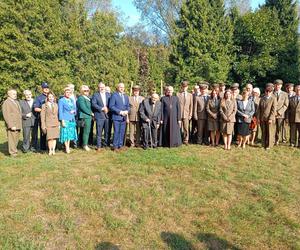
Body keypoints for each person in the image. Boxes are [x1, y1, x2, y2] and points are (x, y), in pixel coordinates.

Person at [109, 83, 130, 151]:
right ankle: (115, 146)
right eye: (120, 87)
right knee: (116, 131)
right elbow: (111, 106)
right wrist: (120, 112)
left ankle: (120, 145)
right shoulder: (114, 95)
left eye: (123, 87)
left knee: (122, 132)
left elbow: (128, 106)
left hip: (124, 117)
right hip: (116, 117)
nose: (122, 88)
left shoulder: (126, 96)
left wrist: (127, 111)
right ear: (117, 88)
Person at [2, 89, 22, 156]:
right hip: (12, 124)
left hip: (18, 124)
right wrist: (11, 125)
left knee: (16, 139)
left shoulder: (16, 101)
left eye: (15, 94)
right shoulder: (6, 102)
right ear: (9, 94)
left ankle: (14, 150)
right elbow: (6, 115)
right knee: (12, 139)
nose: (15, 95)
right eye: (13, 94)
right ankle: (12, 153)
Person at [257, 83, 277, 150]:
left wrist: (271, 118)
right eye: (267, 91)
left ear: (271, 92)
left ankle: (269, 145)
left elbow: (273, 110)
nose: (268, 93)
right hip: (262, 118)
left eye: (269, 91)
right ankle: (263, 144)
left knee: (270, 132)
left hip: (270, 119)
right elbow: (259, 109)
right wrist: (258, 118)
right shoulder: (262, 98)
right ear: (265, 91)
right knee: (263, 131)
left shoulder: (273, 98)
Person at [92, 82, 110, 151]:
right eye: (100, 87)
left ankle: (106, 144)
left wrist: (108, 108)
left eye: (103, 87)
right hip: (99, 115)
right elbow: (93, 104)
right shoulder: (95, 95)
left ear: (105, 87)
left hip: (107, 116)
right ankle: (98, 146)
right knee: (99, 132)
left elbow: (111, 103)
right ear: (98, 88)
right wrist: (102, 108)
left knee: (107, 131)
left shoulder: (109, 95)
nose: (102, 88)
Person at [58, 87, 77, 153]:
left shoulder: (71, 100)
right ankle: (66, 147)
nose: (68, 94)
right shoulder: (61, 100)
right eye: (67, 92)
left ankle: (68, 145)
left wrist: (74, 111)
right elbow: (60, 111)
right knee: (65, 133)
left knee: (69, 133)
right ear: (64, 93)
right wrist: (62, 120)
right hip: (65, 119)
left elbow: (75, 109)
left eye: (69, 92)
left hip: (72, 119)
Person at [33, 82, 50, 151]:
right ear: (42, 89)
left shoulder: (51, 96)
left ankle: (51, 147)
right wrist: (45, 110)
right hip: (43, 118)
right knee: (43, 132)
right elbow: (36, 108)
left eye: (47, 88)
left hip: (51, 118)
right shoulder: (39, 98)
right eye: (44, 88)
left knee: (51, 132)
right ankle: (43, 148)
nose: (46, 89)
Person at [77, 85, 93, 151]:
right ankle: (85, 145)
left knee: (86, 131)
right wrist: (91, 113)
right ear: (82, 91)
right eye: (85, 90)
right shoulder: (81, 98)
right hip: (85, 116)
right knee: (86, 131)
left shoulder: (87, 98)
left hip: (88, 117)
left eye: (87, 90)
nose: (87, 92)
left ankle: (84, 143)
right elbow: (83, 108)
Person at [177, 80, 193, 145]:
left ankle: (186, 140)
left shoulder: (190, 95)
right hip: (179, 114)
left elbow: (191, 105)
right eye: (183, 86)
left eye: (185, 87)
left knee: (186, 128)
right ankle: (179, 139)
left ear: (187, 87)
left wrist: (190, 114)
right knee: (179, 127)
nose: (184, 88)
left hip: (186, 114)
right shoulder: (178, 94)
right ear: (181, 87)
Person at [274, 79, 289, 145]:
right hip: (273, 114)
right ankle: (275, 139)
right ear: (274, 85)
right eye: (276, 85)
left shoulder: (285, 94)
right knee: (273, 128)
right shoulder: (272, 93)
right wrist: (274, 112)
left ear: (281, 86)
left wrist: (279, 112)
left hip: (281, 114)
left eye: (279, 85)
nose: (278, 86)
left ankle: (280, 139)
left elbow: (286, 105)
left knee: (279, 128)